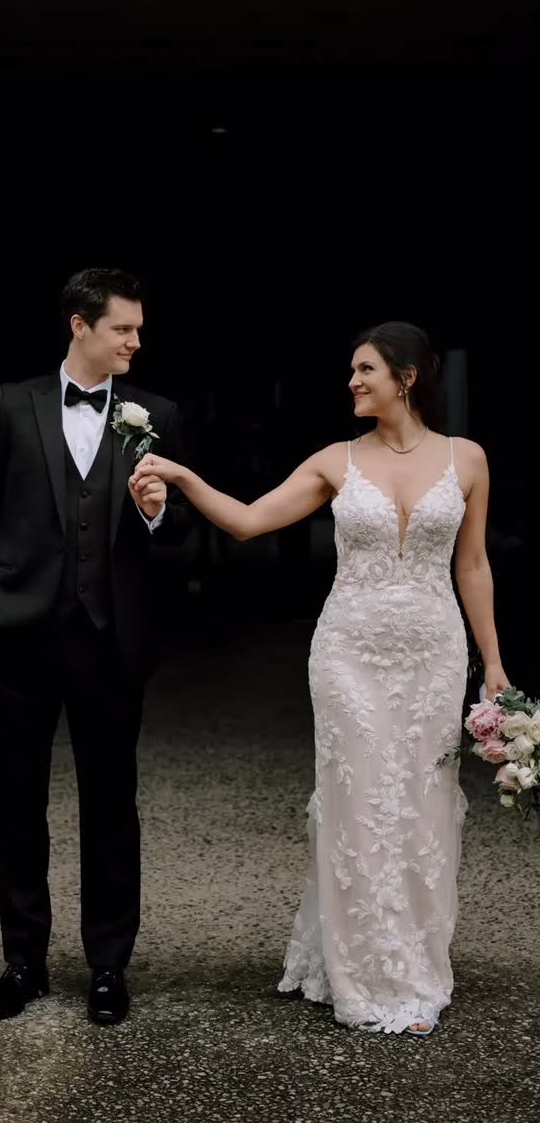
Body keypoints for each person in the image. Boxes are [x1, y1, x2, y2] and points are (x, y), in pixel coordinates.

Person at [131, 321, 510, 1036]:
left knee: (422, 806)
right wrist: (181, 477)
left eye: (365, 369)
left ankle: (417, 960)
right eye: (351, 370)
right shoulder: (335, 461)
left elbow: (473, 565)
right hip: (348, 655)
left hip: (433, 654)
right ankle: (365, 972)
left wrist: (492, 661)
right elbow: (247, 521)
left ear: (405, 378)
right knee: (360, 802)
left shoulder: (468, 460)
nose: (352, 382)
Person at [0, 267, 191, 1025]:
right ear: (79, 325)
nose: (136, 341)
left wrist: (157, 515)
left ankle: (107, 967)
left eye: (139, 328)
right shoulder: (10, 405)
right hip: (15, 640)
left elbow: (179, 535)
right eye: (124, 327)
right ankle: (22, 963)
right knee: (15, 805)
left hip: (109, 639)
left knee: (111, 805)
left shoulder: (157, 414)